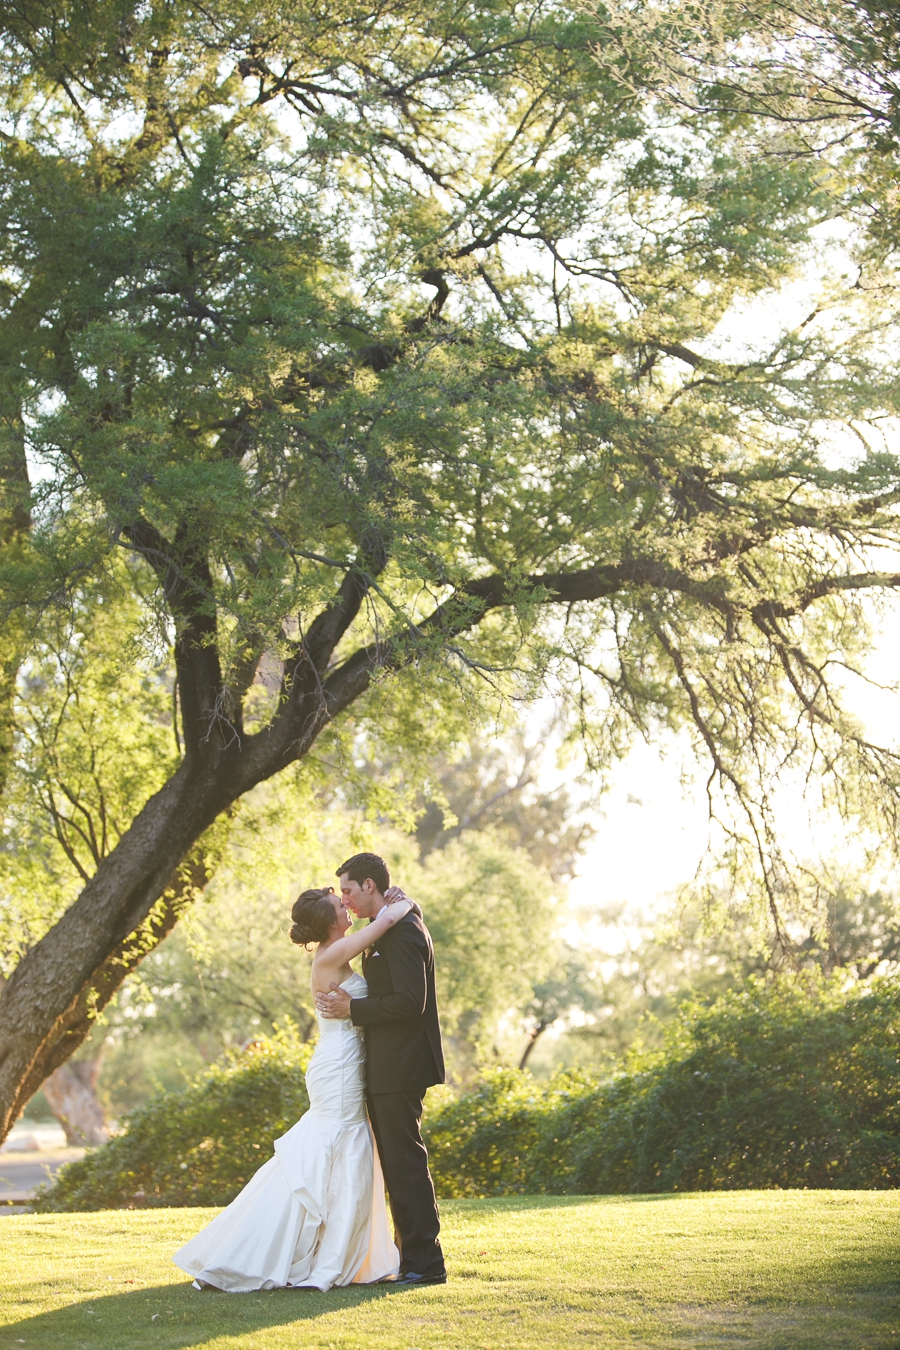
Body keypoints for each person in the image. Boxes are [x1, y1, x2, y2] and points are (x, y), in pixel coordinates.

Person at [172, 883, 412, 1292]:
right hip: (338, 1066)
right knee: (335, 1145)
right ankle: (296, 1254)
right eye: (341, 905)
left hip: (343, 1060)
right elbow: (387, 921)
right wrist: (403, 901)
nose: (347, 906)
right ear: (330, 922)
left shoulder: (335, 951)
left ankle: (329, 1251)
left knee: (337, 1149)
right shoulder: (335, 952)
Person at [316, 852, 447, 1287]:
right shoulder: (390, 927)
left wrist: (354, 1008)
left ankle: (426, 1265)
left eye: (349, 891)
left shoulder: (403, 932)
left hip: (401, 1068)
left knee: (406, 1164)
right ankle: (412, 1258)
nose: (347, 900)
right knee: (398, 1164)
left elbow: (413, 1002)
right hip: (387, 1067)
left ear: (370, 886)